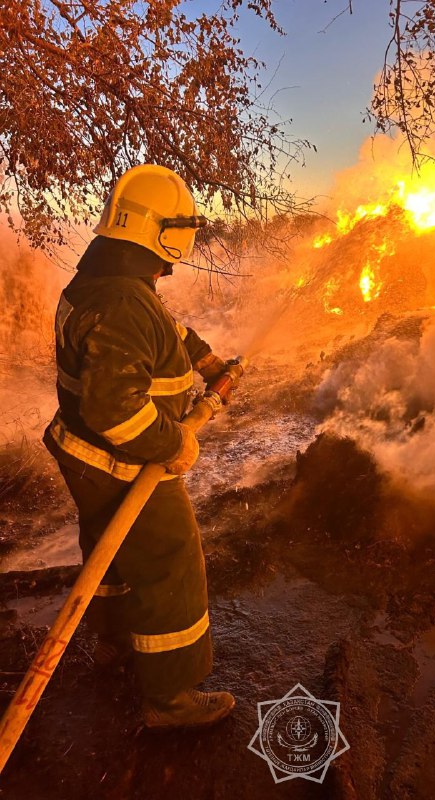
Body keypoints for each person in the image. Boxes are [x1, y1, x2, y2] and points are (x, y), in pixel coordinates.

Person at [43, 164, 235, 728]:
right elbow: (115, 407)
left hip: (84, 455)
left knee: (111, 554)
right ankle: (171, 697)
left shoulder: (106, 278)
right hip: (122, 461)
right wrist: (173, 443)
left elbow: (163, 330)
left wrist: (205, 362)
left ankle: (113, 645)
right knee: (170, 560)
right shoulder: (125, 299)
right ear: (163, 231)